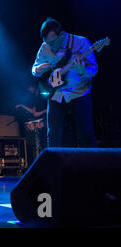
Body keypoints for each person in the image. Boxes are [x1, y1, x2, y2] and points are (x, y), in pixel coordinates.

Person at [32, 17, 98, 148]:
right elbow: (34, 69)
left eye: (52, 43)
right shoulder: (45, 47)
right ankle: (54, 165)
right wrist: (38, 69)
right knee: (53, 135)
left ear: (61, 35)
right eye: (47, 43)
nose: (49, 46)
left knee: (86, 133)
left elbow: (94, 68)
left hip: (79, 93)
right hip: (56, 93)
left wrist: (82, 71)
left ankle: (92, 165)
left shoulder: (81, 42)